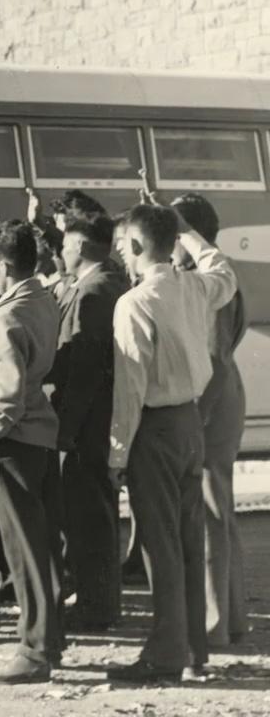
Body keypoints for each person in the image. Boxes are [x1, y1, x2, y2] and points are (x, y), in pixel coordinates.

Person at [105, 204, 236, 682]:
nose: (120, 253)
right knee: (186, 538)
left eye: (122, 245)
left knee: (159, 546)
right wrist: (189, 233)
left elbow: (130, 389)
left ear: (137, 246)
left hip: (154, 428)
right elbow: (223, 270)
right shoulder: (193, 286)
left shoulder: (134, 303)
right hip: (190, 424)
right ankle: (193, 651)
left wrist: (117, 453)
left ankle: (164, 655)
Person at [0, 222, 63, 684]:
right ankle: (47, 641)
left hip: (11, 442)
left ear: (3, 266)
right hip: (37, 437)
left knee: (21, 550)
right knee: (39, 547)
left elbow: (7, 392)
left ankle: (34, 651)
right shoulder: (41, 300)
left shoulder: (6, 316)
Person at [172, 193, 249, 648]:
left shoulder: (208, 283)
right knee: (218, 509)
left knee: (208, 512)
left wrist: (196, 419)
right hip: (220, 394)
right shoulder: (207, 279)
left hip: (210, 398)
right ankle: (231, 619)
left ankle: (213, 627)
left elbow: (215, 358)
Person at [46, 215, 129, 631]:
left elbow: (84, 370)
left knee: (90, 516)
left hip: (87, 425)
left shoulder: (94, 292)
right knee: (90, 514)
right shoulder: (101, 284)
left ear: (79, 246)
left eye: (64, 244)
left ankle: (97, 607)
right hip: (93, 422)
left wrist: (66, 429)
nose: (60, 251)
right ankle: (96, 600)